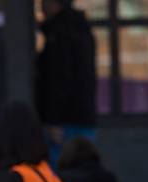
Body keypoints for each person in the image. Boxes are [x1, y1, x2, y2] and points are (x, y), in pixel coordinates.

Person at [36, 0, 96, 163]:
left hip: (64, 122)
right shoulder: (80, 29)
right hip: (82, 118)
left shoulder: (59, 35)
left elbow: (58, 79)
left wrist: (53, 119)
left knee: (61, 178)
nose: (41, 6)